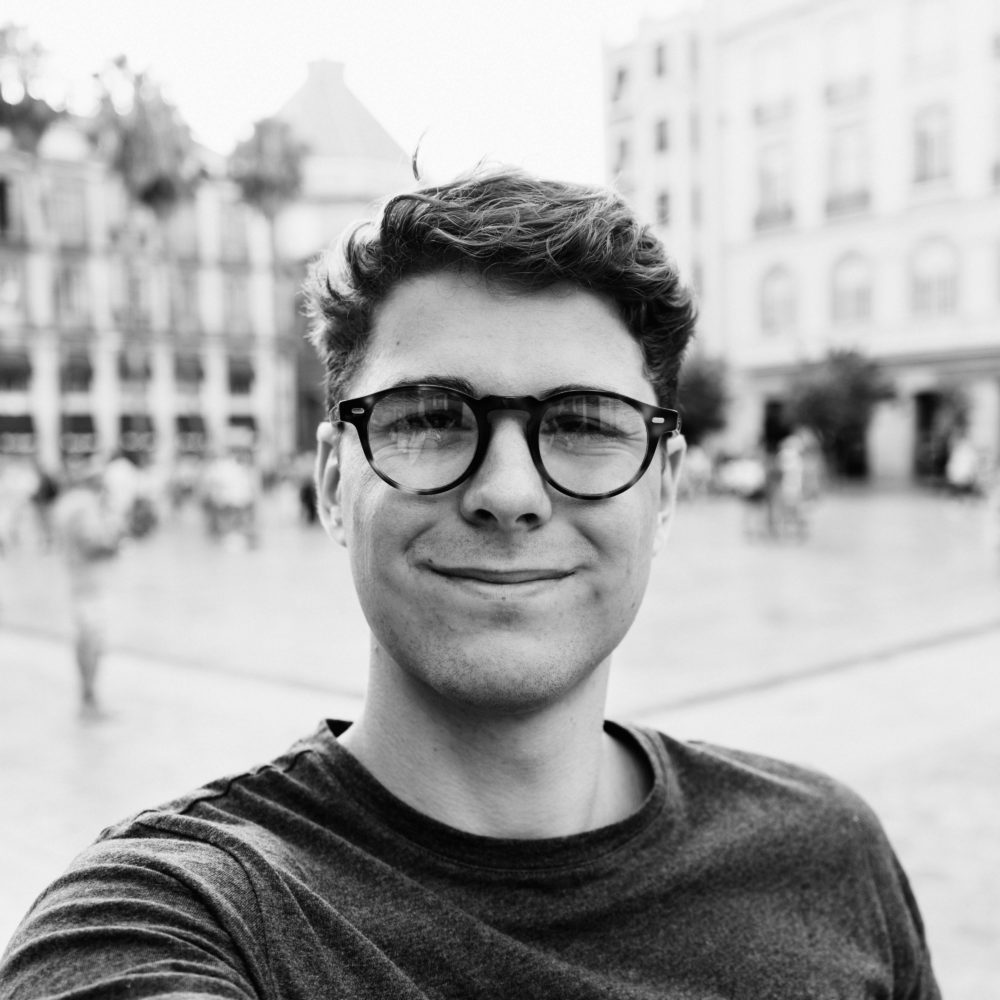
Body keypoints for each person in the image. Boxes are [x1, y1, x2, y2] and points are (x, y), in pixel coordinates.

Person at [0, 169, 940, 998]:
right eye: (428, 417)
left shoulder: (829, 857)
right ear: (331, 482)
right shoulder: (168, 918)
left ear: (664, 489)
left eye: (585, 422)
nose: (509, 493)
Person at [49, 460, 124, 718]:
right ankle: (89, 698)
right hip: (91, 583)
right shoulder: (85, 505)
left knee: (84, 640)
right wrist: (114, 544)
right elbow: (90, 544)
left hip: (76, 580)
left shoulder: (65, 503)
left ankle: (87, 696)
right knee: (92, 643)